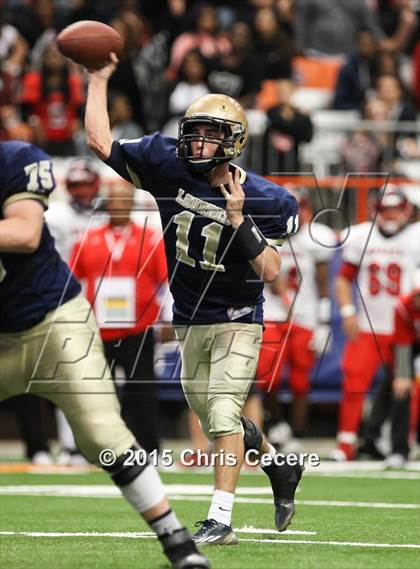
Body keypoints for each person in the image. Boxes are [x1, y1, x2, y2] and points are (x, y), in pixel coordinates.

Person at [85, 53, 302, 546]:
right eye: (193, 132)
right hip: (189, 318)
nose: (197, 142)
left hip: (237, 319)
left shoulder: (268, 199)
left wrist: (238, 219)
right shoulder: (165, 163)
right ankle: (279, 466)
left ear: (234, 143)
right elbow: (100, 141)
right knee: (211, 416)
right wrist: (97, 78)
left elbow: (270, 271)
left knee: (224, 414)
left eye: (210, 135)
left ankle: (220, 518)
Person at [0, 139, 209, 569]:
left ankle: (175, 538)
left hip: (51, 324)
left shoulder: (16, 160)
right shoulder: (89, 239)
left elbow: (23, 233)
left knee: (102, 433)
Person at [69, 181, 167, 454]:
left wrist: (168, 319)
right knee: (96, 392)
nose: (119, 205)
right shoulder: (87, 238)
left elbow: (166, 282)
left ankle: (150, 448)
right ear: (106, 203)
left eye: (125, 200)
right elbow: (73, 282)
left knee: (143, 391)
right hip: (98, 329)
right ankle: (92, 448)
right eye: (114, 200)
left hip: (139, 326)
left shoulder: (150, 238)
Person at [333, 185, 419, 461]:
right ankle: (346, 445)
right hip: (368, 325)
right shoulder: (361, 236)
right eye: (384, 209)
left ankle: (403, 443)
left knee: (408, 388)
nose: (390, 215)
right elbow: (343, 277)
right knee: (353, 383)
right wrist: (347, 311)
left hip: (403, 330)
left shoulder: (415, 238)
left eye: (395, 208)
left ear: (406, 209)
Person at [257, 185, 337, 446]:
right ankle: (275, 422)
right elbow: (266, 273)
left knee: (301, 381)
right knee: (268, 375)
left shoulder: (317, 238)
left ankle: (298, 433)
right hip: (273, 313)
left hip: (305, 315)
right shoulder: (265, 233)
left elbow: (324, 282)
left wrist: (324, 321)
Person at [359, 272, 420, 467]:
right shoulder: (403, 307)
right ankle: (397, 448)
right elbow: (403, 342)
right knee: (399, 387)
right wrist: (403, 374)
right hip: (409, 347)